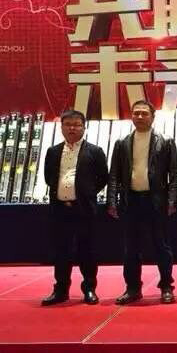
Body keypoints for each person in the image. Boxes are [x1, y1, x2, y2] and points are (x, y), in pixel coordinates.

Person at [107, 100, 177, 305]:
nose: (139, 117)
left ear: (153, 117)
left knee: (161, 246)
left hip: (157, 201)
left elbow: (174, 175)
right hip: (130, 201)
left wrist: (172, 200)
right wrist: (112, 201)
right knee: (131, 248)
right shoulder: (122, 143)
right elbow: (114, 175)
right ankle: (132, 288)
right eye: (136, 113)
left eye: (144, 113)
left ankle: (166, 286)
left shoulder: (165, 141)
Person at [42, 110, 108, 306]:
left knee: (87, 250)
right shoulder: (53, 151)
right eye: (68, 124)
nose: (72, 128)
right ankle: (61, 290)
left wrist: (87, 192)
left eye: (77, 124)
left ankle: (89, 289)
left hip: (84, 210)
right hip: (60, 210)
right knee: (61, 251)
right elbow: (49, 177)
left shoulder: (94, 151)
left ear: (84, 127)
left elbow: (103, 178)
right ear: (61, 127)